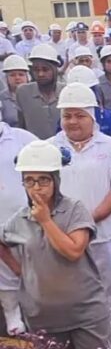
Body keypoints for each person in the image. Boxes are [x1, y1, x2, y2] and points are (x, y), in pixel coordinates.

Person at [0, 141, 111, 349]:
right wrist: (19, 270)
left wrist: (45, 221)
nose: (36, 187)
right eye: (29, 181)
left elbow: (73, 251)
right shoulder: (20, 218)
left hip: (85, 314)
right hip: (41, 317)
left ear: (56, 181)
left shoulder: (74, 210)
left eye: (43, 180)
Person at [52, 83, 111, 349]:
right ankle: (76, 340)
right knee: (70, 288)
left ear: (92, 116)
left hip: (106, 233)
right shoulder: (49, 148)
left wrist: (89, 218)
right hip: (65, 236)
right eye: (67, 116)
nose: (73, 122)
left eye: (79, 115)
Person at [0, 113, 36, 336]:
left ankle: (34, 311)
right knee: (4, 270)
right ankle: (11, 313)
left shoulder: (22, 138)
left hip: (26, 216)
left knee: (32, 264)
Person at [15, 44, 64, 140]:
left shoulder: (66, 91)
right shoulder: (23, 92)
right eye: (36, 70)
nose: (40, 74)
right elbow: (21, 126)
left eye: (45, 70)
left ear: (54, 70)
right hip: (33, 149)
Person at [0, 55, 30, 127]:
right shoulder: (1, 98)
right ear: (6, 78)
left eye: (21, 74)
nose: (17, 78)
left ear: (27, 77)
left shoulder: (35, 95)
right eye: (12, 75)